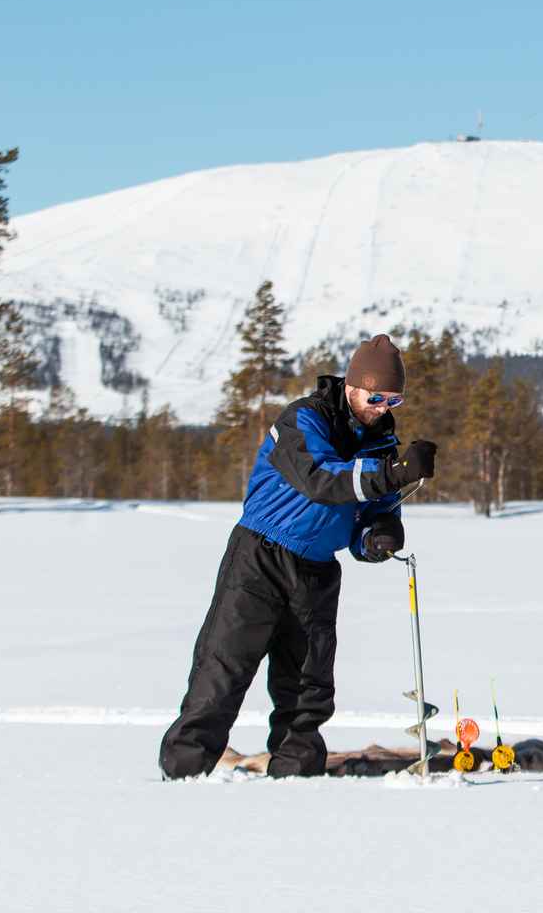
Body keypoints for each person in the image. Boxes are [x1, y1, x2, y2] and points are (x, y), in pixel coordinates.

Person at [159, 334, 437, 779]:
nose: (383, 407)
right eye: (376, 396)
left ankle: (297, 778)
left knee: (307, 687)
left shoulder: (381, 443)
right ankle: (185, 771)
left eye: (394, 399)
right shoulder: (304, 420)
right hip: (260, 558)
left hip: (317, 571)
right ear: (351, 387)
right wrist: (393, 473)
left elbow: (374, 511)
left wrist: (378, 537)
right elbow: (322, 479)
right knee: (223, 670)